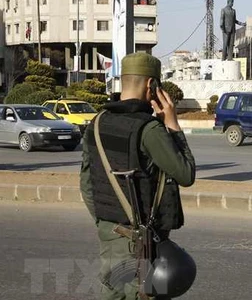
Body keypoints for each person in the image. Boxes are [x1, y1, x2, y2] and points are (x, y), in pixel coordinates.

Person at [80, 52, 196, 300]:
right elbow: (186, 173)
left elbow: (87, 185)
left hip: (110, 237)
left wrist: (109, 223)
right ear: (151, 85)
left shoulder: (97, 123)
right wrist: (173, 125)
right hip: (142, 246)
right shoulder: (149, 130)